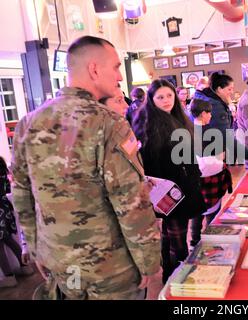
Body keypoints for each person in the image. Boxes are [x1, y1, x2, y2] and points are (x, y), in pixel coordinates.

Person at [11, 36, 160, 300]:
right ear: (94, 69)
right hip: (110, 270)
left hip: (61, 264)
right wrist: (149, 262)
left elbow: (22, 194)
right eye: (115, 67)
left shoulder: (28, 123)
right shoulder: (108, 124)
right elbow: (130, 202)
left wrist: (34, 248)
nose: (118, 77)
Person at [132, 80, 207, 284]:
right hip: (165, 191)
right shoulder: (147, 124)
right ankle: (177, 280)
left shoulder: (179, 118)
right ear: (151, 99)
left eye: (169, 96)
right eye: (160, 97)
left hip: (182, 186)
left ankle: (174, 277)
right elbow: (147, 163)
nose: (166, 101)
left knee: (173, 236)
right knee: (175, 240)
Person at [189, 99, 232, 248]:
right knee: (212, 213)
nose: (211, 116)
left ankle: (194, 242)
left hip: (195, 178)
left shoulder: (186, 130)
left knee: (196, 212)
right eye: (209, 113)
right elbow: (222, 155)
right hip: (212, 177)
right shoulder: (212, 132)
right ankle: (211, 239)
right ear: (203, 113)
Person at [192, 72, 248, 164]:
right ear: (219, 89)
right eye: (229, 89)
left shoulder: (207, 99)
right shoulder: (216, 106)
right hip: (213, 155)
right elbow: (227, 138)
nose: (232, 92)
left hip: (208, 153)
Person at [0, 157, 34, 288]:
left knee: (1, 245)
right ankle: (25, 267)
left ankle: (9, 277)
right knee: (8, 239)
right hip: (5, 207)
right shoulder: (3, 168)